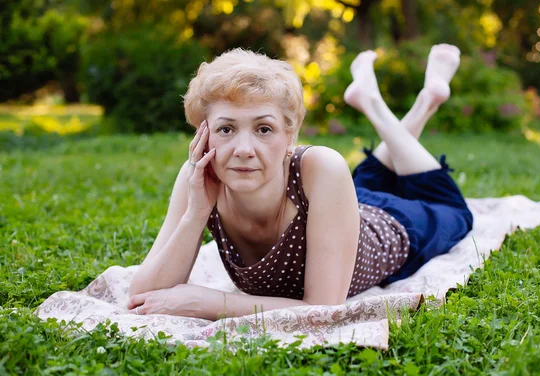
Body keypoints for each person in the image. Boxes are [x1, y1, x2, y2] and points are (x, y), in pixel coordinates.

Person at [127, 45, 473, 321]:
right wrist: (195, 214)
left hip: (396, 223)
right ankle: (425, 102)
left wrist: (210, 302)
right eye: (226, 129)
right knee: (369, 177)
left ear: (289, 135)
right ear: (203, 135)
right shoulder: (198, 178)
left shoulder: (320, 167)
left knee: (453, 210)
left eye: (264, 129)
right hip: (342, 206)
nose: (244, 150)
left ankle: (375, 103)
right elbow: (143, 294)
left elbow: (323, 308)